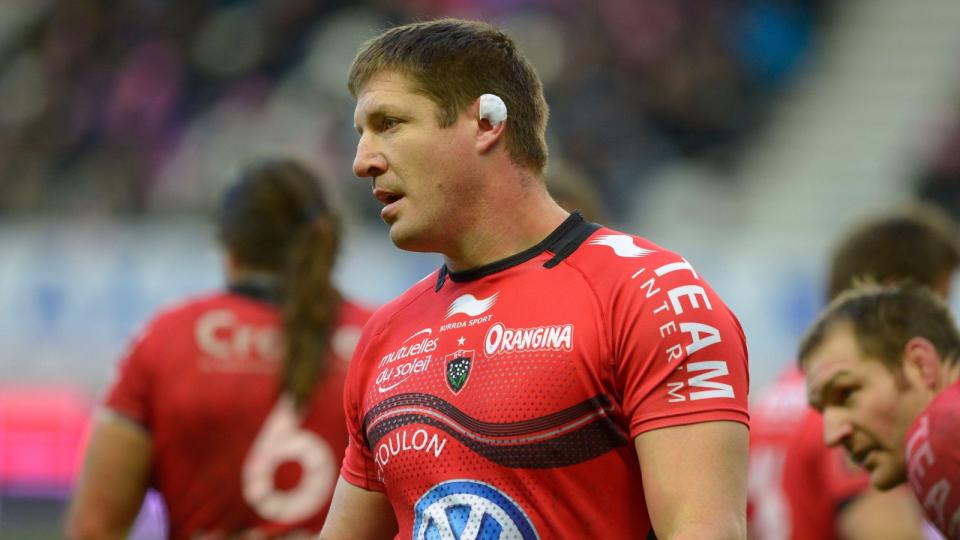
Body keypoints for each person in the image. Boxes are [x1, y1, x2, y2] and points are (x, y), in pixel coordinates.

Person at [320, 18, 750, 539]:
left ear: (486, 124)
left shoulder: (650, 295)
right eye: (360, 133)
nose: (362, 161)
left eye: (389, 123)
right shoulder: (386, 335)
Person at [65, 158, 374, 539]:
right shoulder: (379, 339)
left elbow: (93, 528)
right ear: (326, 242)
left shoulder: (165, 340)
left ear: (229, 249)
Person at [748, 204, 960, 540]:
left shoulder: (773, 398)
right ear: (897, 296)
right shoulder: (870, 408)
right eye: (941, 299)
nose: (942, 321)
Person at [798, 283, 960, 540]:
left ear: (920, 365)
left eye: (847, 393)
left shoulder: (944, 432)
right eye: (822, 410)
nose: (832, 435)